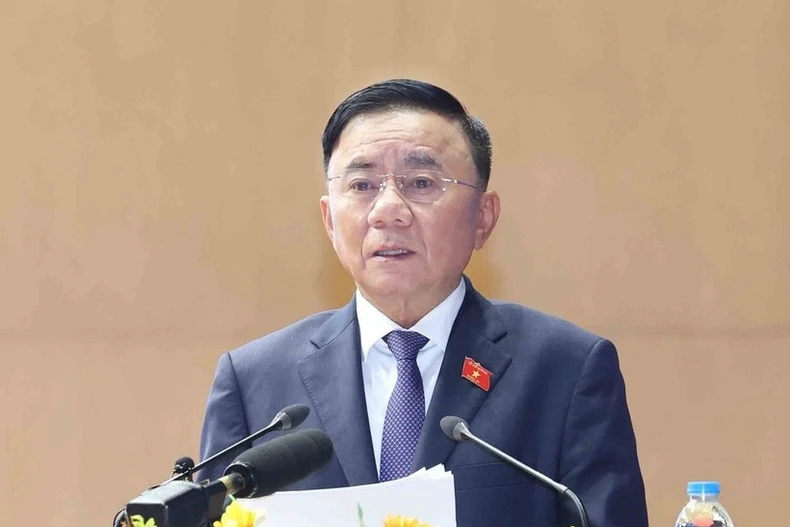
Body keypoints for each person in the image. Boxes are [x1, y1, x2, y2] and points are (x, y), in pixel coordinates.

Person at [198, 78, 648, 527]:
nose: (388, 210)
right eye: (361, 185)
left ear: (484, 218)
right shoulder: (253, 383)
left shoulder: (565, 370)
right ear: (329, 220)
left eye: (420, 182)